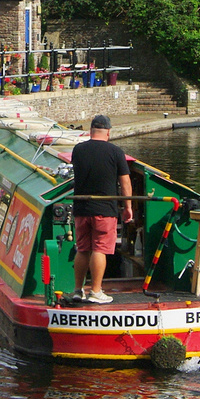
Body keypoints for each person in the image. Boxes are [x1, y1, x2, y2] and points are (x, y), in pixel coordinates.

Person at [70, 115, 132, 305]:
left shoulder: (77, 150)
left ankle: (77, 290)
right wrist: (128, 207)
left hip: (81, 207)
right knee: (100, 249)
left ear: (91, 131)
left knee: (82, 249)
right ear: (108, 132)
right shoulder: (115, 152)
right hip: (105, 209)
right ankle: (96, 291)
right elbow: (125, 181)